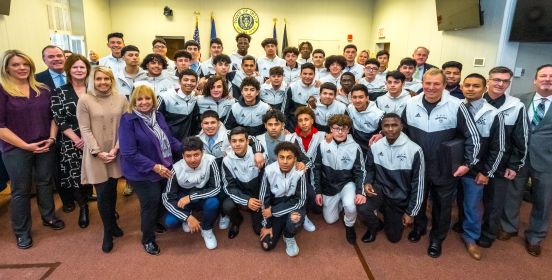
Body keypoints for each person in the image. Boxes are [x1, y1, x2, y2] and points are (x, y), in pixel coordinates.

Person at [400, 68, 480, 258]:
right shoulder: (410, 104)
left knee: (443, 205)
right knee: (418, 198)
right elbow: (401, 130)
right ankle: (419, 227)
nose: (431, 87)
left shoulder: (457, 105)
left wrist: (467, 163)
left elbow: (473, 137)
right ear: (422, 84)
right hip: (419, 165)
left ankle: (437, 238)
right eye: (428, 83)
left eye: (437, 84)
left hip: (446, 167)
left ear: (444, 85)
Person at [0, 50, 65, 249]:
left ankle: (48, 216)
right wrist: (25, 145)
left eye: (25, 64)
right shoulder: (3, 90)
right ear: (6, 68)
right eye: (16, 65)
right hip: (16, 148)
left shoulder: (42, 88)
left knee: (45, 183)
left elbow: (53, 116)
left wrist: (52, 138)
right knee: (21, 190)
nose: (21, 68)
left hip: (45, 144)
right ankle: (22, 231)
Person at [119, 85, 182, 255]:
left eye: (148, 98)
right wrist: (154, 167)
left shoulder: (158, 116)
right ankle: (147, 239)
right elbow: (129, 152)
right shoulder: (128, 120)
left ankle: (153, 224)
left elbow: (168, 139)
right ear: (134, 101)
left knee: (161, 198)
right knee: (150, 203)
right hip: (141, 172)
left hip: (162, 166)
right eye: (140, 99)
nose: (144, 102)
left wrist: (187, 149)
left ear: (153, 100)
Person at [76, 66, 128, 253]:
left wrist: (115, 149)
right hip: (96, 154)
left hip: (116, 151)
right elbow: (85, 129)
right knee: (103, 193)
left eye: (107, 79)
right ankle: (107, 231)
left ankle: (113, 223)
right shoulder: (85, 100)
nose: (103, 82)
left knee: (113, 190)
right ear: (93, 80)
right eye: (99, 79)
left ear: (112, 80)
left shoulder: (121, 99)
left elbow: (125, 127)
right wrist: (98, 152)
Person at [478, 66, 528, 249]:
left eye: (505, 81)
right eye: (496, 79)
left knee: (494, 202)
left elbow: (521, 139)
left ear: (509, 83)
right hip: (477, 161)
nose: (500, 84)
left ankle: (488, 233)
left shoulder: (516, 106)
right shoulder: (475, 101)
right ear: (488, 80)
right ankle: (468, 226)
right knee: (470, 197)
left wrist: (515, 166)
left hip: (501, 163)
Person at [506, 64, 552, 257]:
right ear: (535, 80)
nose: (547, 79)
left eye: (551, 76)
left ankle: (535, 237)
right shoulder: (519, 100)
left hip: (547, 161)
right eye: (543, 75)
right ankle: (508, 227)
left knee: (543, 201)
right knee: (513, 194)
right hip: (520, 157)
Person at [459, 73, 506, 260]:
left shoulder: (494, 114)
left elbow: (499, 147)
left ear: (485, 88)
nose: (470, 89)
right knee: (451, 202)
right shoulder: (457, 107)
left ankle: (470, 238)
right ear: (462, 87)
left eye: (476, 86)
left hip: (477, 170)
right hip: (454, 166)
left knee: (472, 205)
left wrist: (487, 172)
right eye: (467, 85)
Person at [358, 113, 424, 243]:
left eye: (394, 125)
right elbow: (369, 168)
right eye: (386, 126)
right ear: (381, 128)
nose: (390, 129)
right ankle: (374, 226)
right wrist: (367, 182)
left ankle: (390, 215)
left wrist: (411, 212)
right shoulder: (376, 146)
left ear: (402, 126)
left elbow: (419, 184)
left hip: (399, 196)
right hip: (380, 189)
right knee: (362, 207)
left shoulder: (415, 150)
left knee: (394, 238)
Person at [51, 54, 93, 228]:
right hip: (72, 141)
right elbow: (59, 118)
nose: (79, 70)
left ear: (87, 70)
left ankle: (106, 205)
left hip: (94, 138)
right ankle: (83, 207)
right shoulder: (58, 92)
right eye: (75, 67)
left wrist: (89, 138)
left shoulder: (94, 90)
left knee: (99, 174)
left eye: (82, 67)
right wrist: (77, 138)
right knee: (76, 176)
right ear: (68, 70)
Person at [313, 114, 367, 245]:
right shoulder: (322, 145)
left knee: (350, 206)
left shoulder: (355, 147)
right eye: (337, 128)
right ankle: (339, 202)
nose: (340, 132)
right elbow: (316, 169)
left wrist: (360, 192)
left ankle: (349, 226)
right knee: (330, 220)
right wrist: (318, 191)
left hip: (346, 184)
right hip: (328, 186)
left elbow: (360, 171)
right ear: (331, 129)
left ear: (348, 130)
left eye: (344, 129)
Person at [162, 136, 222, 250]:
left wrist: (191, 197)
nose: (193, 159)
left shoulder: (211, 161)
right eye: (188, 156)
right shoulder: (176, 168)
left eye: (196, 154)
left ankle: (207, 229)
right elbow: (167, 198)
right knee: (170, 222)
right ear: (182, 156)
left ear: (202, 153)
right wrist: (187, 217)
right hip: (182, 201)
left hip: (201, 196)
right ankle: (187, 214)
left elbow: (217, 188)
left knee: (213, 202)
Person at [259, 141, 307, 257]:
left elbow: (300, 200)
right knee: (267, 245)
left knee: (295, 219)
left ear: (295, 158)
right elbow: (264, 199)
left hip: (291, 205)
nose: (285, 161)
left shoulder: (299, 172)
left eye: (289, 158)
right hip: (274, 204)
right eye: (282, 157)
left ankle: (288, 236)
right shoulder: (269, 170)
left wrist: (274, 211)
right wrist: (268, 225)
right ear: (277, 158)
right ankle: (279, 225)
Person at [221, 127, 264, 239]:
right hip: (241, 193)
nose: (237, 144)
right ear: (230, 143)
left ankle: (255, 210)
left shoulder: (258, 156)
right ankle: (236, 221)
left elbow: (267, 181)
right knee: (227, 205)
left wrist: (260, 200)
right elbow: (228, 187)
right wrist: (246, 200)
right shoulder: (226, 160)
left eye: (241, 140)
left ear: (247, 141)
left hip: (258, 195)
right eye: (234, 141)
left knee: (258, 230)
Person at [158, 69, 200, 142]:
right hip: (168, 141)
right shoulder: (165, 97)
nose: (189, 83)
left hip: (187, 142)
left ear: (196, 83)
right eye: (186, 80)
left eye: (193, 81)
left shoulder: (194, 98)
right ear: (179, 82)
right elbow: (156, 120)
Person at [346, 84, 384, 157]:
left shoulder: (378, 114)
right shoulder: (349, 108)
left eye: (361, 97)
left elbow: (388, 129)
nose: (357, 100)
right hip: (355, 144)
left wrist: (381, 134)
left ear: (367, 98)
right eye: (354, 97)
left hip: (372, 146)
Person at [285, 63, 319, 130]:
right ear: (300, 74)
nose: (307, 76)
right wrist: (286, 127)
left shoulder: (319, 87)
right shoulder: (292, 87)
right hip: (294, 125)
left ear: (314, 75)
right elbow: (285, 110)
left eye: (310, 74)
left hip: (314, 125)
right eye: (305, 74)